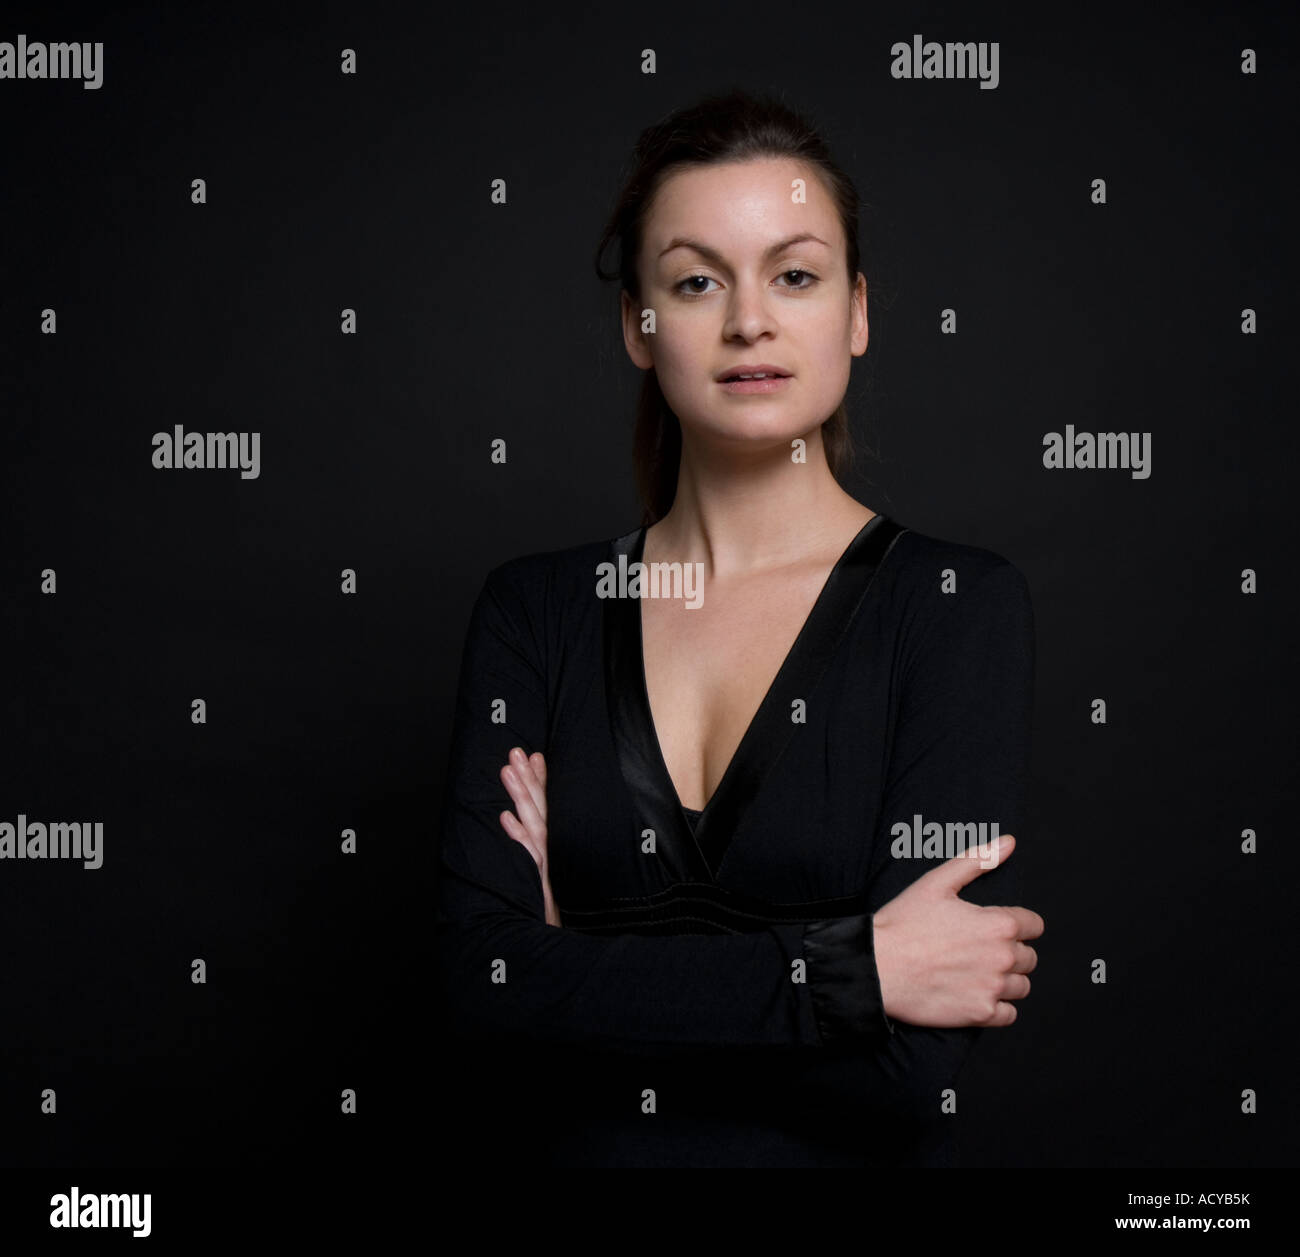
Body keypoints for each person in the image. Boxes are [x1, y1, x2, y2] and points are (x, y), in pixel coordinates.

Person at [435, 88, 1044, 1167]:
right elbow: (479, 1001)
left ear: (855, 312)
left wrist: (576, 962)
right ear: (640, 323)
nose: (748, 319)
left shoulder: (954, 609)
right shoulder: (532, 610)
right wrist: (852, 972)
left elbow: (906, 1081)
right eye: (696, 280)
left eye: (794, 275)